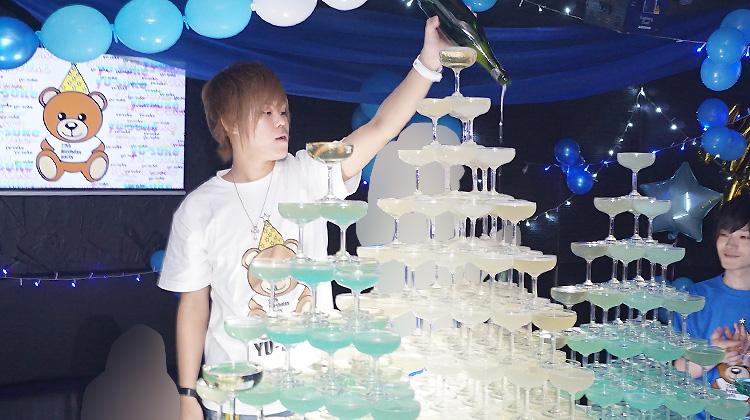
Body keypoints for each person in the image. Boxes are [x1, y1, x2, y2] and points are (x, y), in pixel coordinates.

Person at [158, 17, 450, 420]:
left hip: (311, 393)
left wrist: (428, 62)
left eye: (283, 110)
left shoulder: (309, 172)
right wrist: (188, 393)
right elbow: (194, 306)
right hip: (236, 398)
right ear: (228, 122)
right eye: (265, 112)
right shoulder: (199, 207)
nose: (281, 120)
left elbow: (381, 127)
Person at [674, 193, 750, 415]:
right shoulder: (692, 298)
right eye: (724, 234)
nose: (730, 245)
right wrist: (713, 355)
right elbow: (675, 372)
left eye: (743, 237)